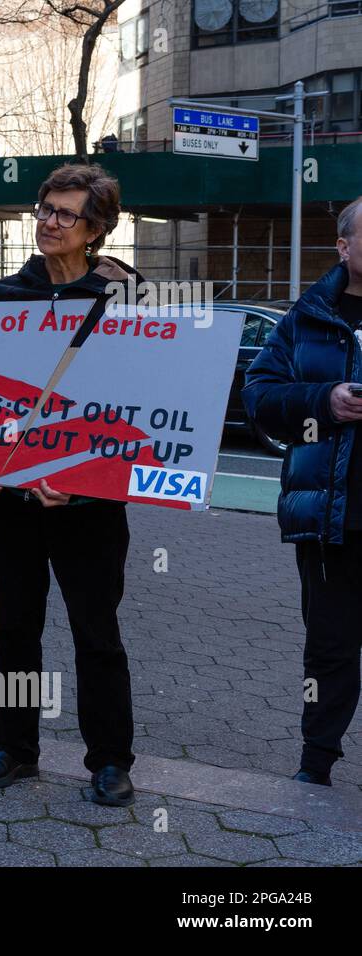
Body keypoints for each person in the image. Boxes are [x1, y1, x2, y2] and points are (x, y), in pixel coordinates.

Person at [0, 163, 141, 807]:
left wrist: (82, 483)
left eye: (65, 214)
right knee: (13, 625)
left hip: (90, 503)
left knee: (95, 629)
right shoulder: (7, 297)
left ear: (95, 229)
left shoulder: (124, 301)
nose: (49, 222)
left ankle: (111, 760)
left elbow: (133, 406)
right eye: (43, 209)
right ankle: (14, 747)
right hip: (13, 499)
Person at [243, 196, 362, 787]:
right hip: (331, 518)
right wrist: (325, 401)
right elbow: (259, 396)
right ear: (344, 247)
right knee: (331, 649)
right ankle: (316, 764)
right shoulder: (309, 315)